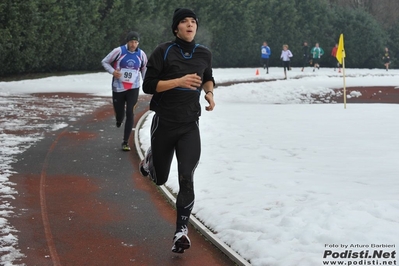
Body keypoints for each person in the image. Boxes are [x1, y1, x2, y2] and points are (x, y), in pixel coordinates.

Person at [140, 8, 215, 254]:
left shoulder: (204, 52)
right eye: (184, 22)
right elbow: (149, 85)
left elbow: (208, 77)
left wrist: (210, 94)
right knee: (160, 178)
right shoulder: (164, 51)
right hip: (164, 123)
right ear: (176, 28)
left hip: (189, 125)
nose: (190, 25)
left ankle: (181, 231)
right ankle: (151, 158)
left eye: (193, 21)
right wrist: (179, 81)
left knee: (186, 176)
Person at [101, 31, 148, 151]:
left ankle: (125, 142)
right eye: (131, 42)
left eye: (136, 42)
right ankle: (118, 119)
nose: (133, 44)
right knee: (120, 113)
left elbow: (144, 68)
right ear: (127, 42)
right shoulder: (119, 51)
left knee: (130, 113)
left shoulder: (141, 54)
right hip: (119, 87)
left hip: (133, 87)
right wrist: (113, 72)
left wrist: (146, 82)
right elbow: (105, 62)